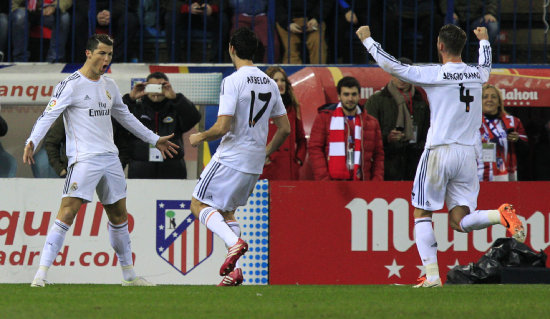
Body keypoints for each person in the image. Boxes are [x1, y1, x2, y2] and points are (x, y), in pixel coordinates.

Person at [356, 24, 526, 288]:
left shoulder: (435, 74)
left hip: (439, 151)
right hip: (469, 155)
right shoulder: (477, 74)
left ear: (440, 46)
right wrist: (484, 42)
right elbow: (487, 65)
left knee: (421, 213)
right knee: (460, 222)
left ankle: (432, 276)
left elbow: (393, 67)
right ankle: (499, 214)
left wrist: (368, 40)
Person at [23, 33, 179, 287]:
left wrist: (154, 138)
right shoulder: (71, 84)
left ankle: (129, 277)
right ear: (88, 53)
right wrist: (32, 140)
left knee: (119, 217)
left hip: (110, 159)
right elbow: (48, 115)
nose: (106, 59)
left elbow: (126, 117)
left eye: (109, 54)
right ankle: (40, 274)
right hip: (84, 159)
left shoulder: (109, 85)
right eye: (101, 53)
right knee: (67, 212)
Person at [189, 27, 290, 286]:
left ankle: (235, 243)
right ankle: (235, 271)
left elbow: (222, 127)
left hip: (231, 156)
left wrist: (199, 136)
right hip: (254, 161)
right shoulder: (270, 82)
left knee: (198, 205)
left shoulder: (233, 81)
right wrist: (265, 152)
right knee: (227, 213)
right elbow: (284, 128)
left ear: (231, 49)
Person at [121, 71, 201, 179]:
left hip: (173, 169)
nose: (156, 92)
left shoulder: (176, 108)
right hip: (140, 168)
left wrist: (176, 98)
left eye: (160, 87)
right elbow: (117, 120)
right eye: (152, 87)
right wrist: (130, 99)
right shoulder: (136, 108)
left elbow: (194, 118)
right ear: (145, 87)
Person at [365, 57, 430, 181]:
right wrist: (387, 138)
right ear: (391, 74)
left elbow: (428, 134)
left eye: (405, 75)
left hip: (414, 167)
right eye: (398, 74)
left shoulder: (421, 102)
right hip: (386, 166)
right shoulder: (376, 101)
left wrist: (416, 146)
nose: (401, 79)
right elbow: (368, 136)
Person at [308, 76, 384, 181]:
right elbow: (315, 149)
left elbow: (378, 155)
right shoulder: (324, 118)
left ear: (359, 96)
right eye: (346, 94)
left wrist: (376, 181)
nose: (350, 99)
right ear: (339, 96)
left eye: (354, 94)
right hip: (333, 182)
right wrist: (324, 179)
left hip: (362, 183)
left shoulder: (371, 122)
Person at [44, 116, 131, 177]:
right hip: (74, 174)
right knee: (70, 203)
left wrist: (116, 170)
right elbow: (51, 143)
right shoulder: (69, 113)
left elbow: (123, 147)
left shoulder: (109, 114)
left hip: (104, 175)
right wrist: (60, 170)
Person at [260, 66, 306, 180]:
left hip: (289, 170)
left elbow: (301, 140)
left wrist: (298, 161)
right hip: (267, 170)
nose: (280, 83)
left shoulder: (293, 108)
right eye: (275, 80)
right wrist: (261, 158)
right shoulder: (260, 108)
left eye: (282, 80)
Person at [478, 84, 528, 181]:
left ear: (499, 102)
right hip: (479, 177)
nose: (489, 100)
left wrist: (517, 140)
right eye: (485, 97)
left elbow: (526, 151)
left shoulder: (513, 122)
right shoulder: (473, 123)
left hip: (507, 177)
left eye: (493, 97)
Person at [162, 0, 228, 62]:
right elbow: (167, 2)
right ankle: (174, 61)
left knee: (222, 20)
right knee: (171, 19)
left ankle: (216, 62)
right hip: (182, 11)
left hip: (207, 11)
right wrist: (186, 8)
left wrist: (212, 8)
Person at [74, 0, 139, 62]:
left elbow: (123, 2)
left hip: (115, 14)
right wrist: (94, 14)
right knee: (77, 20)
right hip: (90, 14)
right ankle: (84, 59)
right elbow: (80, 3)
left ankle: (116, 59)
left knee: (130, 20)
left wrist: (111, 13)